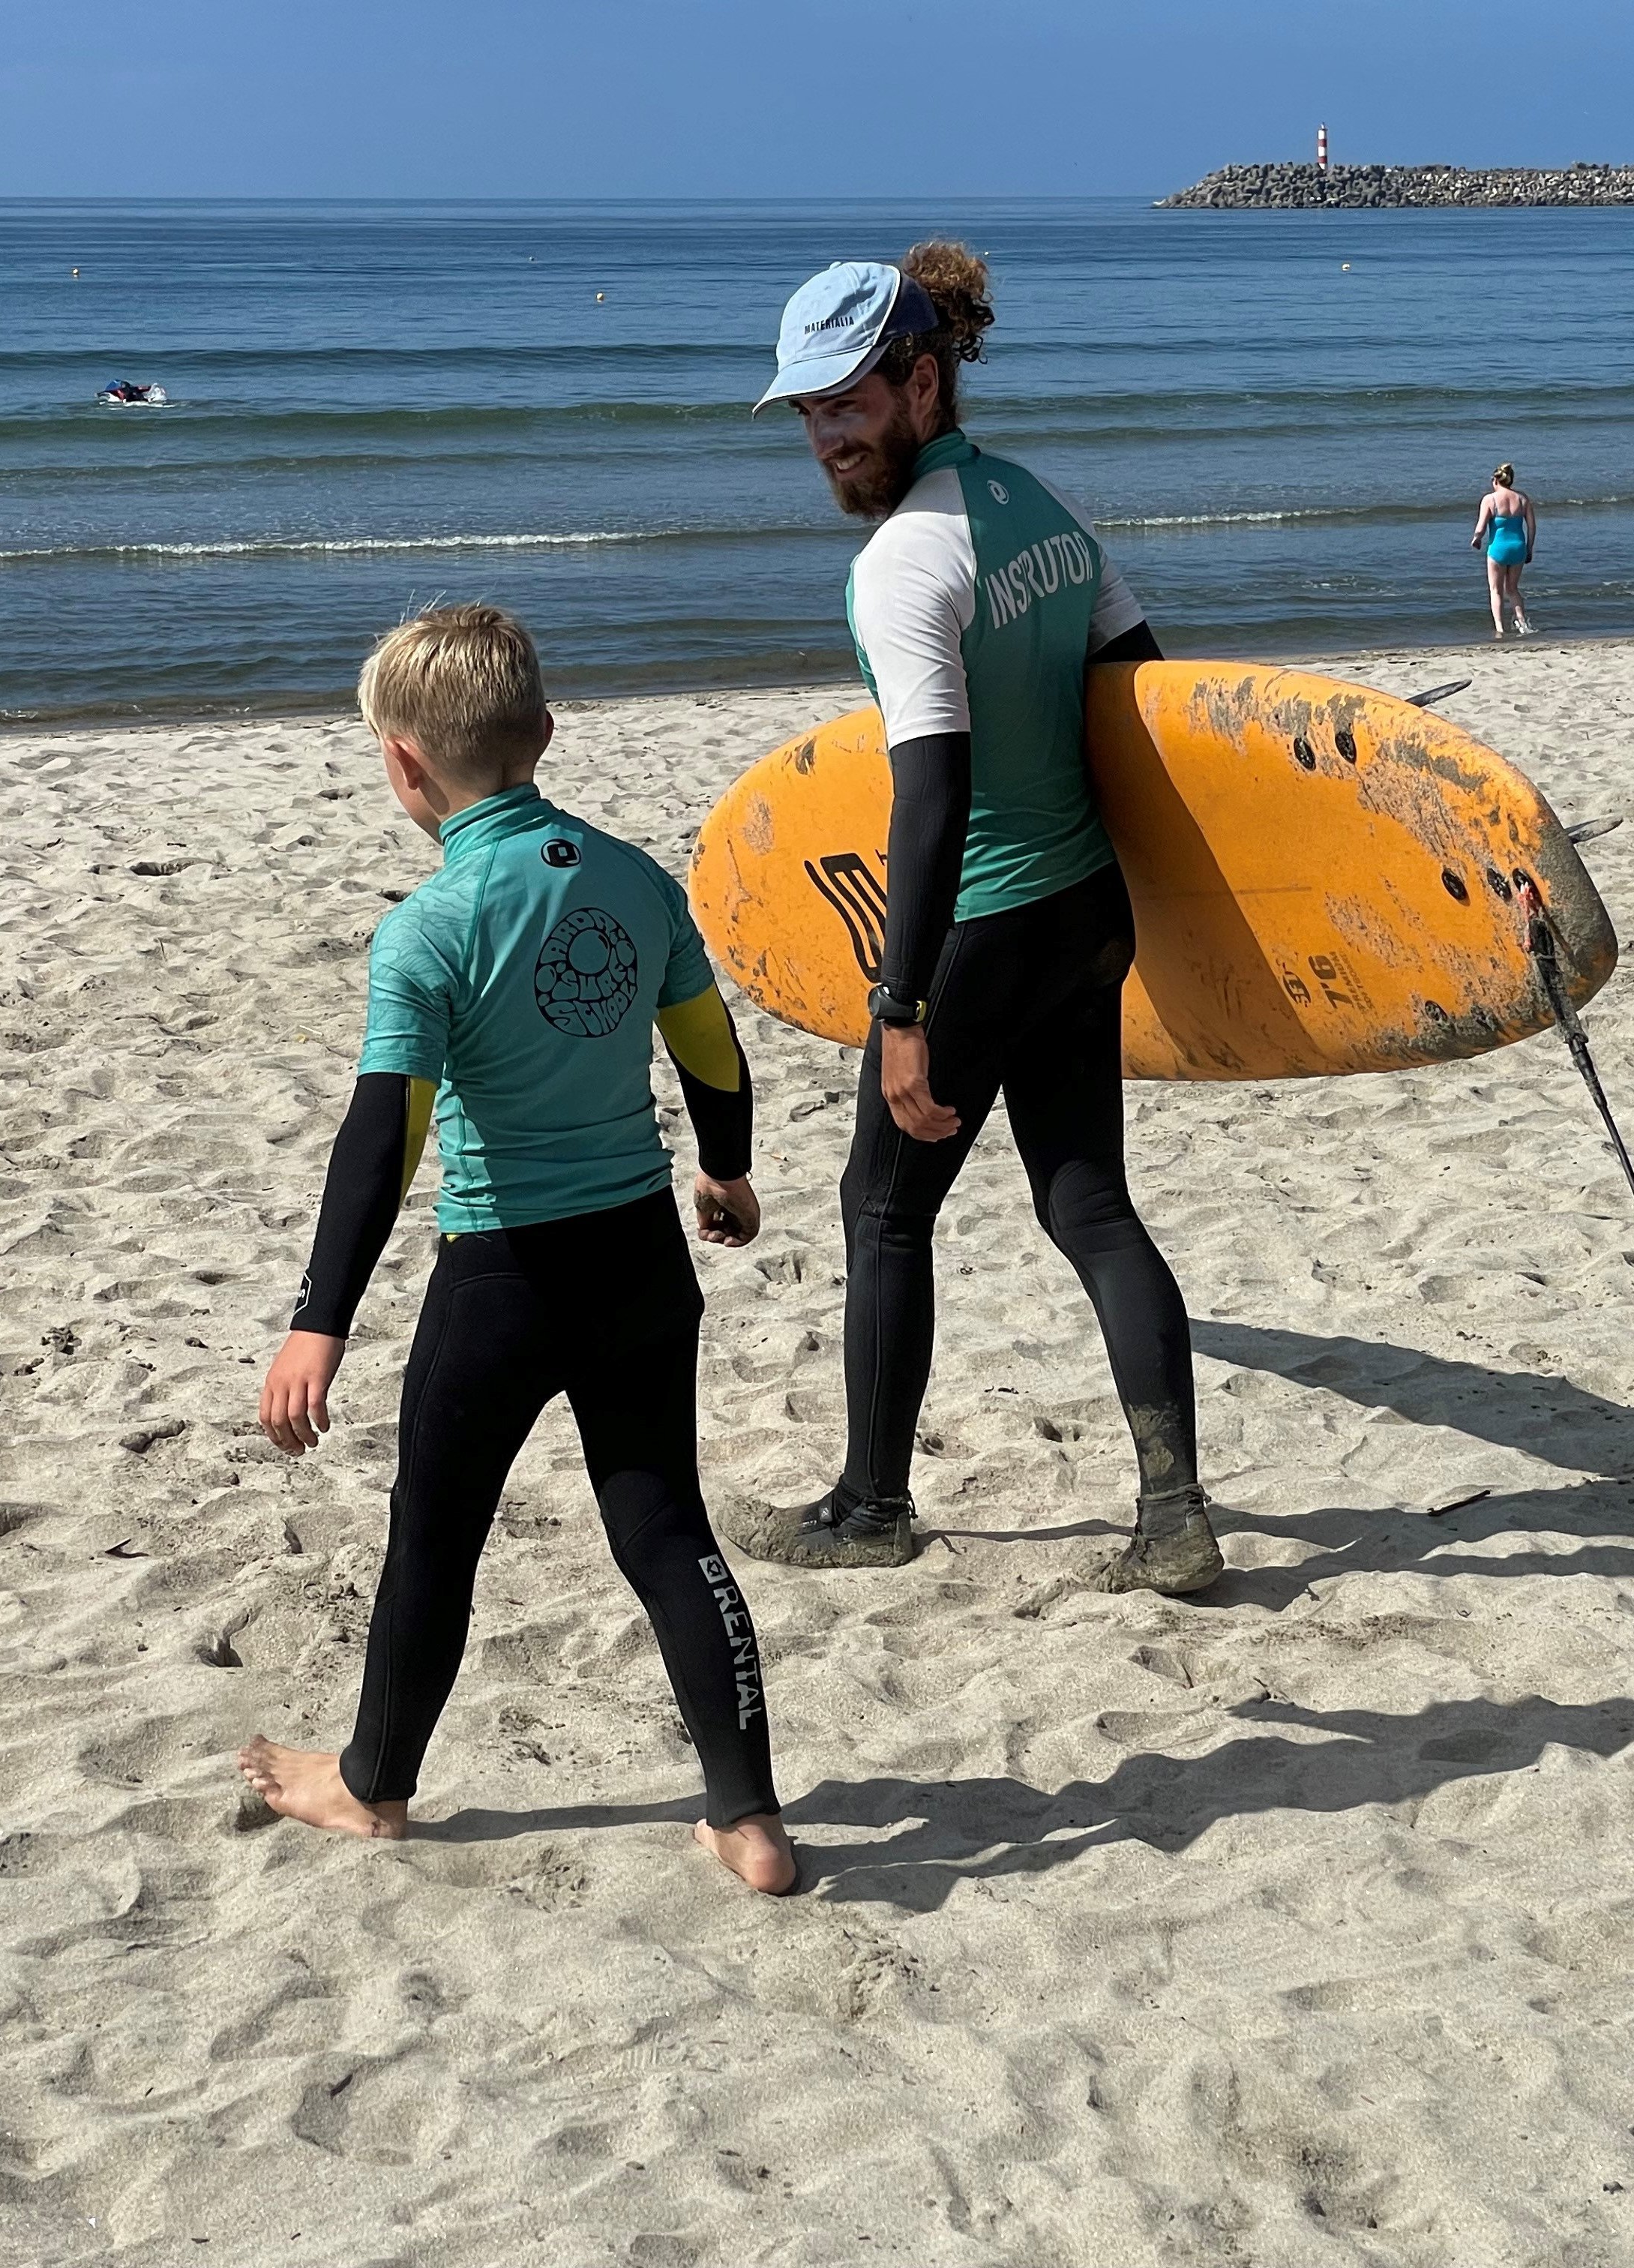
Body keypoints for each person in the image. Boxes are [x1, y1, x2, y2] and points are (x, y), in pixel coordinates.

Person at [237, 604, 793, 1894]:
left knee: (434, 1534)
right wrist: (726, 1165)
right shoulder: (634, 879)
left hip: (501, 1278)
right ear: (542, 736)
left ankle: (371, 1785)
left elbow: (386, 1136)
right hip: (639, 1261)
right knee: (663, 1523)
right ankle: (748, 1813)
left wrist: (320, 1315)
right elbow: (710, 1050)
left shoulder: (428, 930)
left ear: (400, 765)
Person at [733, 244, 1220, 1595]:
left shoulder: (901, 565)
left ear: (921, 379)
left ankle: (871, 1504)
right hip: (1082, 914)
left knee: (880, 1209)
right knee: (1087, 1203)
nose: (827, 434)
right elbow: (1140, 697)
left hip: (986, 926)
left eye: (849, 401)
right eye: (809, 412)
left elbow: (929, 800)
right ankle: (1172, 1512)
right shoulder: (1043, 512)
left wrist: (900, 1009)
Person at [1471, 463, 1537, 638]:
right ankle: (1522, 624)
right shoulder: (1522, 499)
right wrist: (1529, 548)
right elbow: (1531, 527)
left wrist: (1477, 539)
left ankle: (1500, 629)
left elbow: (1481, 527)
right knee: (1513, 589)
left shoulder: (1490, 500)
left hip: (1498, 549)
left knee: (1496, 590)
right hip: (1518, 547)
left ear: (1495, 481)